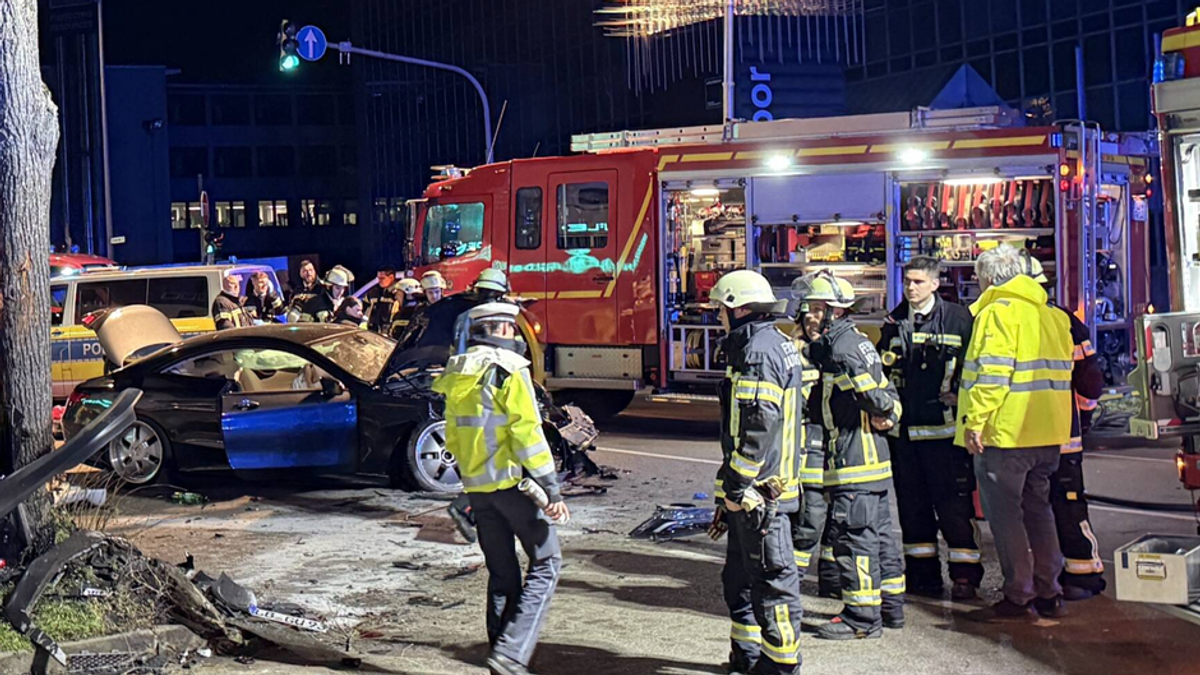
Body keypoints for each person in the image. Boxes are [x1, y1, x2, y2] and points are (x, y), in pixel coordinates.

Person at [432, 302, 567, 675]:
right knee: (547, 562)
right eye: (512, 327)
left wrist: (470, 483)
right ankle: (511, 653)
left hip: (479, 488)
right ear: (503, 330)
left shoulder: (458, 372)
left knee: (503, 572)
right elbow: (528, 434)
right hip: (514, 486)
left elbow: (455, 437)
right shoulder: (510, 371)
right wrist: (551, 488)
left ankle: (500, 655)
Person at [957, 243, 1074, 620]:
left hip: (1006, 434)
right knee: (1039, 511)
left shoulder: (997, 314)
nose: (977, 284)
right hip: (1048, 433)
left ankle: (1018, 595)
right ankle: (1048, 590)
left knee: (1006, 518)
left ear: (989, 278)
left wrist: (975, 421)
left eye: (977, 278)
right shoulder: (1052, 315)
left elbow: (992, 374)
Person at [794, 270, 905, 640]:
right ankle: (890, 608)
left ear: (833, 311)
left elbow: (871, 394)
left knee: (853, 539)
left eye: (815, 307)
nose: (809, 314)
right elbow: (882, 391)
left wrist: (884, 410)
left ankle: (861, 618)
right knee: (880, 536)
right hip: (873, 458)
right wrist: (889, 411)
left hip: (853, 460)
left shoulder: (841, 349)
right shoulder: (854, 342)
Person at [708, 270, 803, 675]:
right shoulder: (768, 343)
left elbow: (757, 426)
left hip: (760, 495)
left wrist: (736, 487)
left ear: (739, 308)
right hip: (752, 494)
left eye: (720, 309)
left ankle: (781, 667)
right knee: (742, 579)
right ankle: (747, 657)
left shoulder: (758, 352)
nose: (717, 317)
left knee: (771, 582)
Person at [877, 256, 982, 600]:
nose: (910, 287)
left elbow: (978, 364)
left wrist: (961, 394)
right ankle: (923, 578)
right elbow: (882, 368)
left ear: (936, 284)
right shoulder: (894, 321)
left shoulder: (958, 318)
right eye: (907, 281)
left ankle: (965, 577)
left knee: (953, 508)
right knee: (913, 509)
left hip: (944, 434)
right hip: (905, 436)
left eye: (919, 282)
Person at [1026, 257, 1107, 601]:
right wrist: (1083, 418)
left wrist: (1082, 418)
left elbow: (1089, 382)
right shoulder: (1063, 321)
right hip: (1060, 433)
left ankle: (1083, 574)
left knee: (1056, 505)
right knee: (1063, 503)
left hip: (1040, 435)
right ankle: (1072, 573)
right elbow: (1090, 383)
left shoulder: (1050, 323)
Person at [365, 266, 401, 334]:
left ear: (391, 277)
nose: (379, 281)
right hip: (373, 333)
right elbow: (365, 312)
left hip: (390, 334)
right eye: (378, 278)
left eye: (382, 278)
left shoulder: (399, 294)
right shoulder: (373, 293)